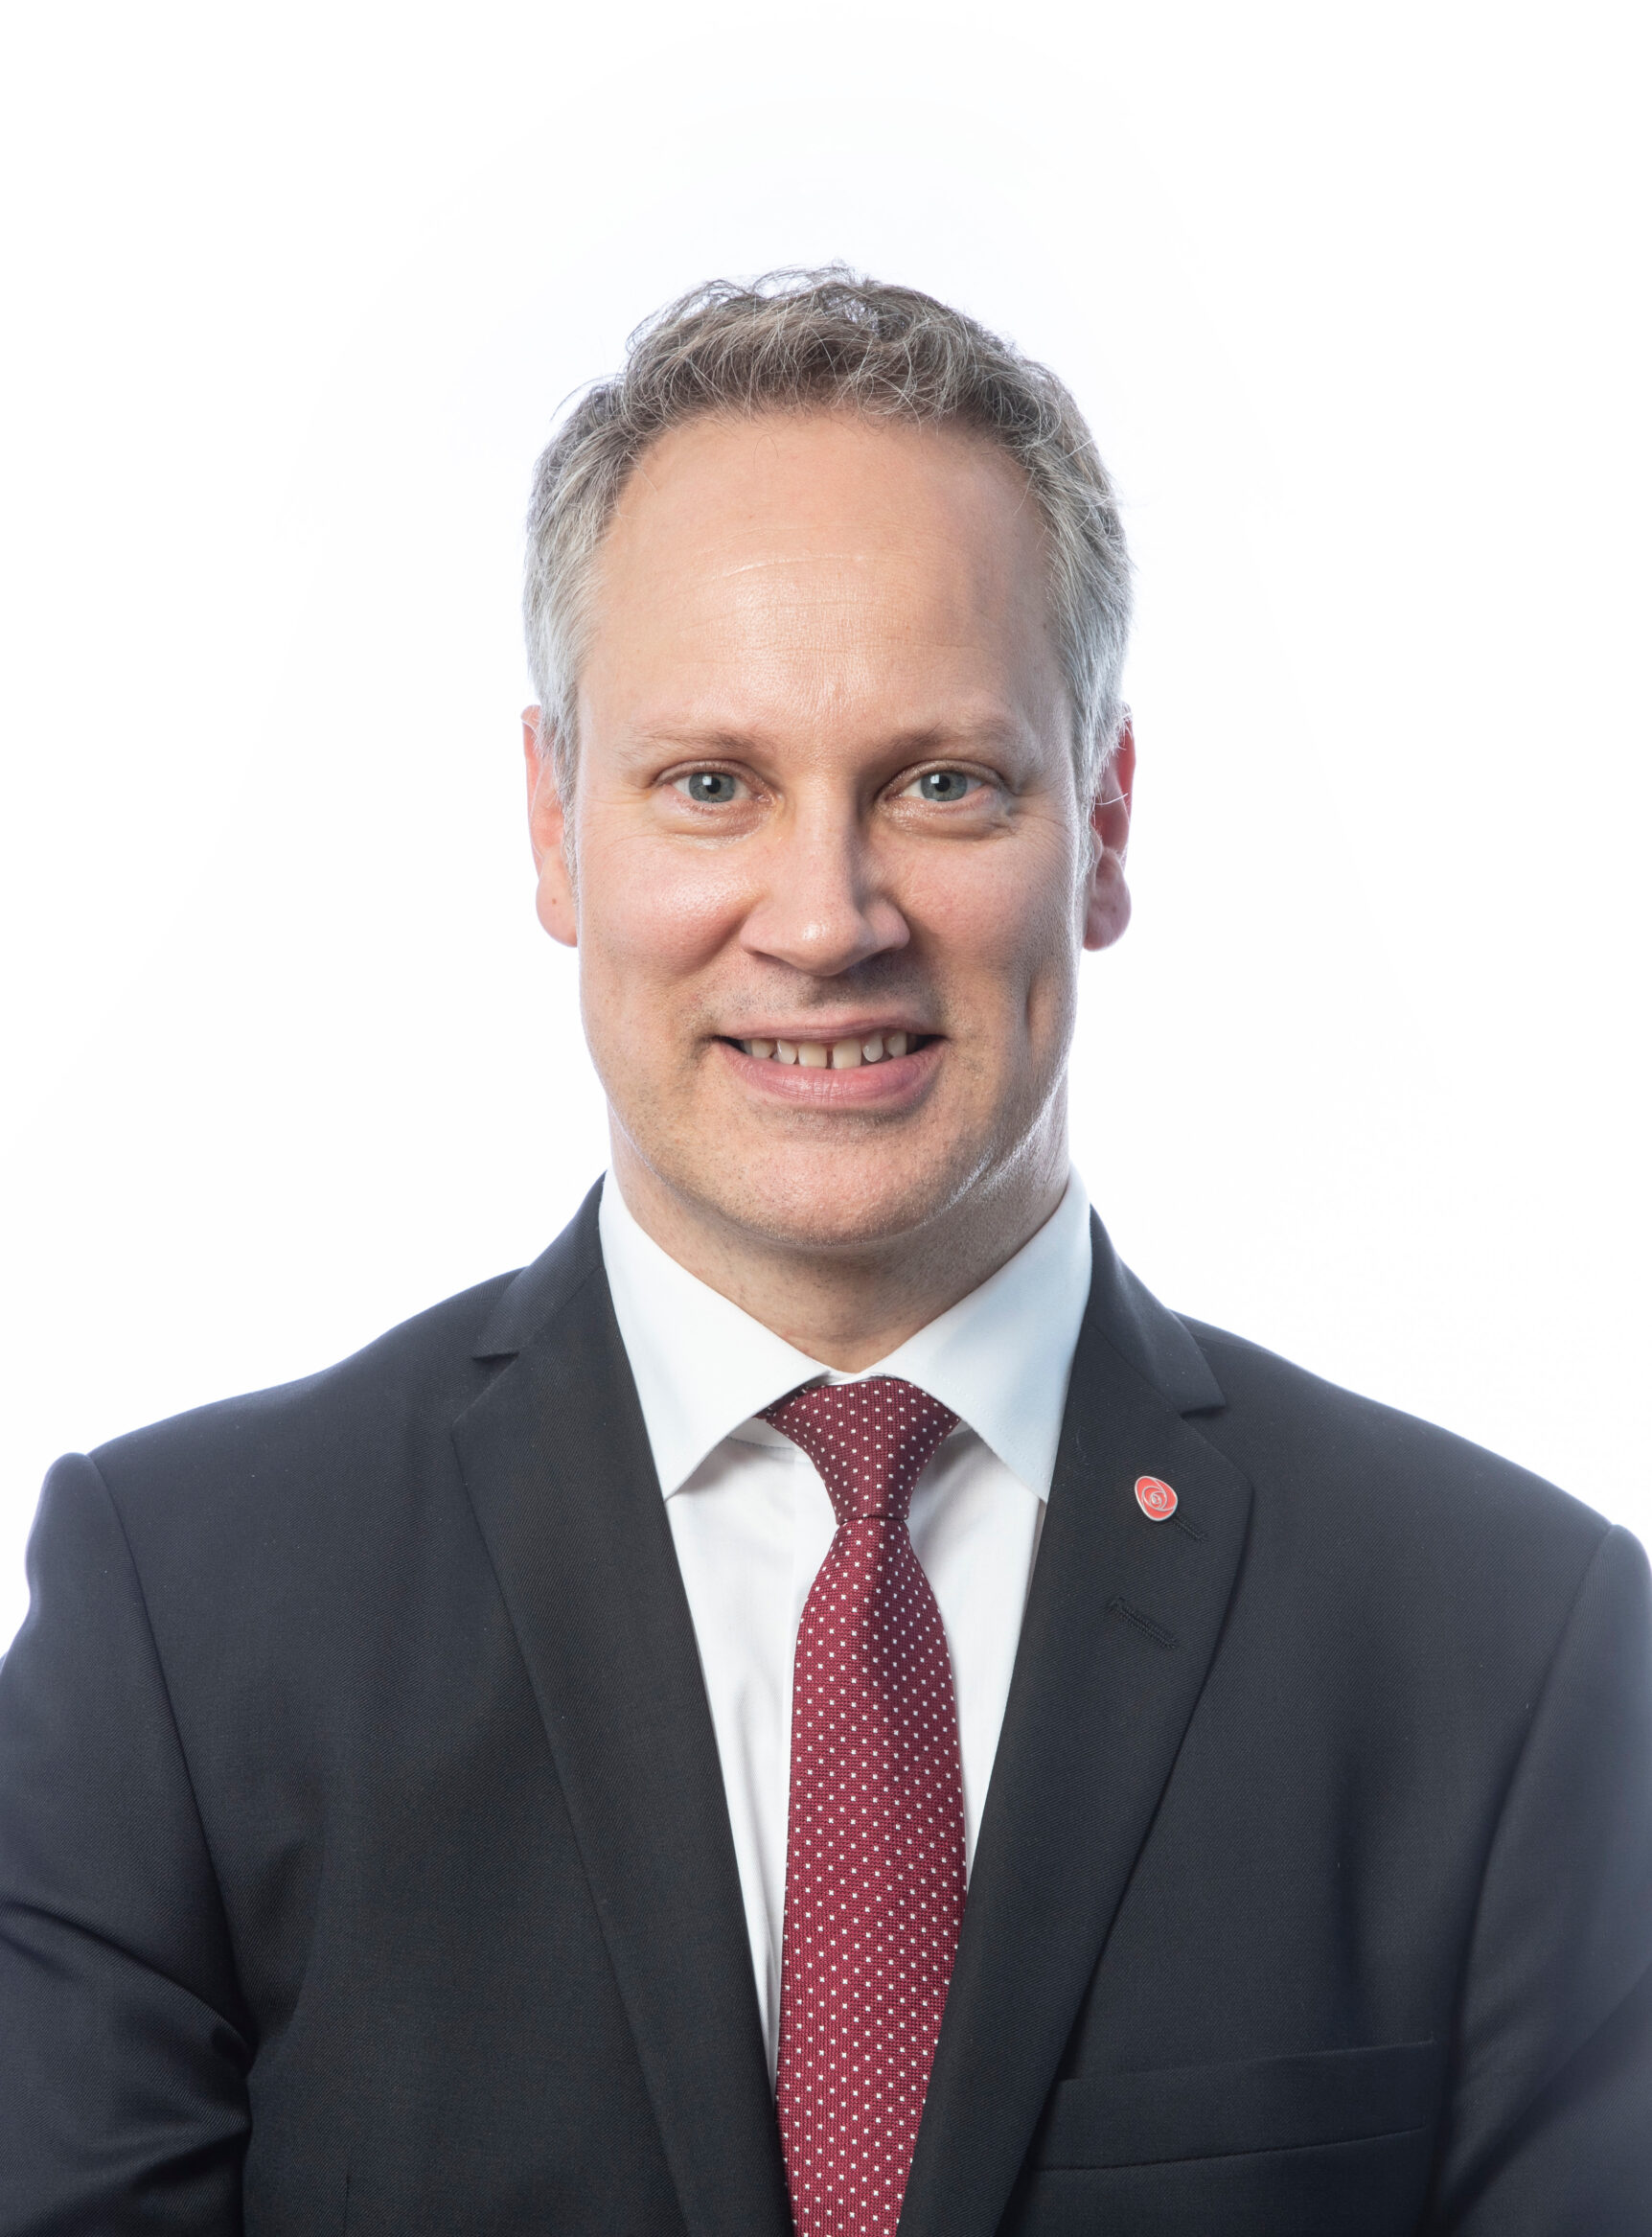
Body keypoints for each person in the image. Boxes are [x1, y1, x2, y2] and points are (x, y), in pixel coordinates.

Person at [1, 271, 1648, 2237]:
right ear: (556, 826)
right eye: (711, 784)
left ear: (1105, 818)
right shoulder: (185, 1624)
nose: (823, 916)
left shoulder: (1512, 1650)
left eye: (941, 783)